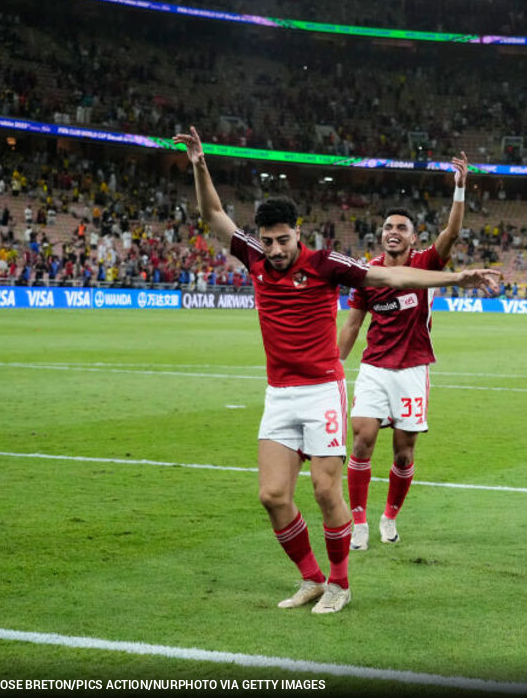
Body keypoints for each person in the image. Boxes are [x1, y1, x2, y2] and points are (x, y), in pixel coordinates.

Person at [175, 127, 499, 614]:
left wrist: (458, 276)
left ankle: (341, 584)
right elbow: (214, 215)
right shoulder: (255, 259)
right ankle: (311, 578)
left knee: (327, 490)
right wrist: (200, 165)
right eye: (268, 242)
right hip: (279, 393)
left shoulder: (326, 264)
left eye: (283, 240)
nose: (276, 250)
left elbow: (391, 274)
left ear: (298, 233)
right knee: (272, 495)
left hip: (323, 390)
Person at [338, 154, 469, 551]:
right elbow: (352, 325)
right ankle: (358, 521)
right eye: (388, 227)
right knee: (361, 439)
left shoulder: (427, 264)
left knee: (403, 454)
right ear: (381, 236)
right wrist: (330, 367)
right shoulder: (367, 274)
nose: (393, 232)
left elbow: (452, 233)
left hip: (413, 369)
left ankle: (389, 516)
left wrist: (460, 189)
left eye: (401, 228)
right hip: (375, 366)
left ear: (414, 237)